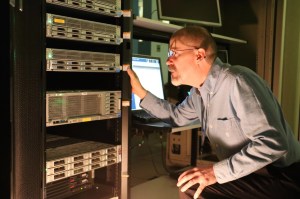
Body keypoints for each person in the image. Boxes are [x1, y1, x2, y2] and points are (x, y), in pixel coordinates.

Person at [127, 25, 300, 199]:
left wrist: (214, 173)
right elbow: (177, 117)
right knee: (190, 182)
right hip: (254, 172)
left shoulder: (237, 81)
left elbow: (273, 143)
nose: (168, 61)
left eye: (174, 53)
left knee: (193, 186)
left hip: (283, 176)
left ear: (199, 55)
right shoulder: (198, 92)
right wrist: (140, 91)